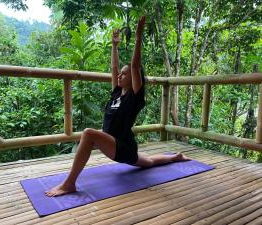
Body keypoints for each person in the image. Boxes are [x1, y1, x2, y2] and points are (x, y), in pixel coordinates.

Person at [45, 16, 189, 197]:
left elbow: (135, 66)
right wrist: (114, 46)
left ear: (134, 78)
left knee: (88, 133)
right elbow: (113, 68)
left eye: (124, 74)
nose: (120, 76)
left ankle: (69, 184)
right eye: (120, 74)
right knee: (149, 162)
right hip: (117, 145)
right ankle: (176, 157)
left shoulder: (135, 97)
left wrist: (138, 36)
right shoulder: (116, 92)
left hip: (123, 147)